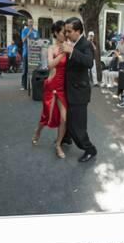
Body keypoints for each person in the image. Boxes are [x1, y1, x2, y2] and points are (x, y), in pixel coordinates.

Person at [61, 17, 98, 163]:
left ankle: (90, 149)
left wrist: (71, 51)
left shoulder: (86, 44)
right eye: (66, 31)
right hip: (71, 91)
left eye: (69, 31)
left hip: (79, 93)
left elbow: (89, 62)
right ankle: (67, 138)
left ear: (78, 31)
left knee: (79, 127)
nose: (67, 33)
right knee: (70, 120)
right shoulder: (74, 43)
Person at [32, 21, 69, 159]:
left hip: (62, 87)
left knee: (64, 118)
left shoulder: (68, 47)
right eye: (62, 32)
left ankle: (58, 144)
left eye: (66, 32)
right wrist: (61, 54)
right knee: (47, 115)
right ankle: (37, 131)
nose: (65, 35)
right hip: (51, 85)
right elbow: (49, 65)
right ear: (55, 33)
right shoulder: (51, 48)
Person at [20, 18, 39, 90]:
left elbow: (38, 41)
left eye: (32, 22)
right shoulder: (24, 30)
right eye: (29, 22)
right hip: (26, 53)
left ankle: (34, 85)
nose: (31, 23)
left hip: (34, 53)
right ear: (27, 23)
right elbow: (23, 40)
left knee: (34, 70)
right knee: (25, 70)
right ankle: (23, 85)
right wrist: (28, 33)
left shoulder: (36, 31)